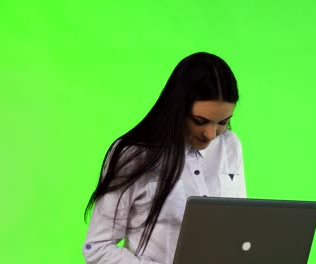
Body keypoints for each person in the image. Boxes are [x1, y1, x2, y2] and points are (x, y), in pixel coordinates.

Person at [82, 52, 247, 264]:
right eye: (200, 120)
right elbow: (97, 248)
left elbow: (240, 228)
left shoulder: (230, 145)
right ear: (177, 108)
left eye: (223, 122)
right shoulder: (133, 155)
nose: (211, 134)